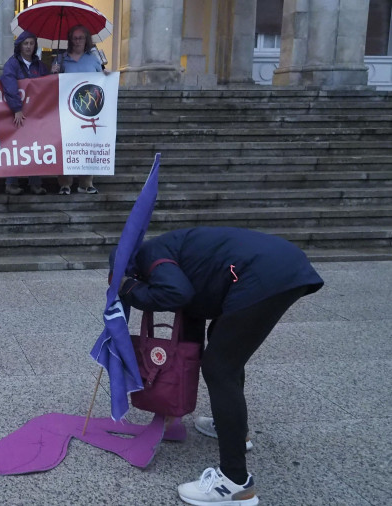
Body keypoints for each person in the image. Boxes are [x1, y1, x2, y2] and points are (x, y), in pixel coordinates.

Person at [110, 227, 324, 505]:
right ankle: (234, 431)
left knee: (220, 368)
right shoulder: (166, 250)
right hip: (274, 264)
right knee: (224, 351)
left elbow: (176, 293)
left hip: (261, 274)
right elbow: (193, 313)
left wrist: (129, 290)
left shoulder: (150, 256)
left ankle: (234, 483)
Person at [53, 25, 109, 196]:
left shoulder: (93, 60)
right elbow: (52, 85)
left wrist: (109, 77)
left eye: (81, 38)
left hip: (89, 112)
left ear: (87, 40)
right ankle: (65, 183)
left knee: (87, 146)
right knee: (66, 147)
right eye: (75, 38)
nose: (77, 41)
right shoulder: (61, 60)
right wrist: (53, 73)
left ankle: (86, 183)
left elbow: (102, 81)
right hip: (66, 111)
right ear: (70, 40)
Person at [0, 31, 52, 196]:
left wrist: (54, 74)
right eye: (26, 43)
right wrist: (17, 108)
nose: (29, 46)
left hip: (36, 114)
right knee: (16, 147)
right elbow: (9, 84)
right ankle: (11, 183)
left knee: (36, 147)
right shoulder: (12, 64)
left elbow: (48, 86)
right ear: (20, 45)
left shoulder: (40, 66)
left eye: (31, 43)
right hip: (19, 113)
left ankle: (35, 183)